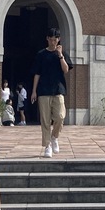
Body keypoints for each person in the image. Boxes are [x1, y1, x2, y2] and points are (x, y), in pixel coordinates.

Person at [31, 27, 73, 158]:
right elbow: (37, 74)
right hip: (43, 90)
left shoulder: (62, 54)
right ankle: (47, 146)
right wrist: (34, 91)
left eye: (55, 39)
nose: (53, 42)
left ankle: (55, 137)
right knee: (45, 120)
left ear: (58, 39)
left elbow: (66, 70)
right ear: (47, 39)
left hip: (58, 90)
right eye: (51, 39)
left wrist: (60, 55)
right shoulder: (41, 54)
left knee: (60, 116)